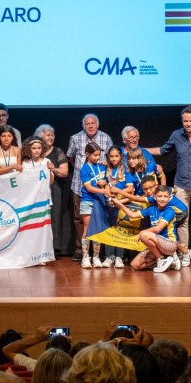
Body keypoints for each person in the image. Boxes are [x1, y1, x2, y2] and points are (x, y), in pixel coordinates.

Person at [146, 105, 191, 267]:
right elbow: (163, 150)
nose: (188, 124)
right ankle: (184, 252)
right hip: (181, 185)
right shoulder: (176, 135)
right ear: (182, 121)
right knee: (181, 221)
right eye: (185, 121)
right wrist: (142, 150)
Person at [66, 113, 113, 261]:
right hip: (80, 186)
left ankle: (98, 253)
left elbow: (112, 157)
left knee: (100, 219)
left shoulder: (106, 138)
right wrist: (81, 169)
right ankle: (81, 251)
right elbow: (70, 157)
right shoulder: (75, 138)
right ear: (83, 125)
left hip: (100, 189)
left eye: (93, 123)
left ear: (97, 124)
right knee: (80, 219)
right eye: (87, 123)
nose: (90, 125)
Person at [34, 124, 72, 257]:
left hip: (54, 189)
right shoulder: (35, 150)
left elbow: (64, 172)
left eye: (52, 135)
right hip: (36, 190)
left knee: (54, 217)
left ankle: (54, 248)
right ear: (40, 136)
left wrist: (53, 169)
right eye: (47, 135)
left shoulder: (58, 151)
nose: (51, 137)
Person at [129, 186, 184, 272]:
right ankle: (165, 260)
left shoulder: (170, 211)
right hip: (157, 244)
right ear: (155, 197)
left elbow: (158, 229)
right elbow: (132, 215)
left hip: (169, 244)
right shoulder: (152, 209)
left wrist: (141, 233)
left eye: (165, 197)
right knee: (135, 265)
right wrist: (117, 202)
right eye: (160, 196)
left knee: (144, 234)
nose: (162, 199)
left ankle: (162, 258)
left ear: (169, 198)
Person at [78, 142, 107, 268]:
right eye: (95, 155)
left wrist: (104, 182)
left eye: (99, 155)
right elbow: (89, 188)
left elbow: (106, 181)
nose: (97, 157)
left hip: (99, 201)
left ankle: (96, 257)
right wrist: (104, 190)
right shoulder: (84, 169)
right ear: (87, 154)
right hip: (88, 200)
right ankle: (85, 257)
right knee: (87, 228)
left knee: (98, 229)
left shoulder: (101, 167)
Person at [1, 326, 72, 371]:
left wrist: (37, 338)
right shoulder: (76, 370)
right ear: (68, 354)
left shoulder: (35, 366)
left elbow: (7, 350)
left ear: (46, 352)